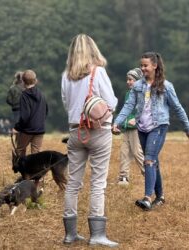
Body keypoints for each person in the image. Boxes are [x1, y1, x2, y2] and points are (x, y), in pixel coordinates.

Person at [112, 52, 189, 211]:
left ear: (155, 66)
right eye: (141, 65)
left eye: (145, 65)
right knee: (153, 162)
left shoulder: (166, 86)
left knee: (148, 160)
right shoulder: (137, 86)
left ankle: (147, 198)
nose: (142, 68)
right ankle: (160, 196)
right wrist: (117, 123)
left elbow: (177, 107)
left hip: (159, 126)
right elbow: (129, 106)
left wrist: (187, 127)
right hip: (142, 128)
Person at [61, 34, 118, 247]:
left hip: (75, 132)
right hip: (98, 131)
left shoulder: (66, 76)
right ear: (93, 49)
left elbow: (67, 104)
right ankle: (97, 235)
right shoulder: (98, 72)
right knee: (98, 183)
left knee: (73, 183)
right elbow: (111, 101)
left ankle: (70, 234)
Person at [117, 68, 145, 185]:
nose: (128, 82)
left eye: (131, 80)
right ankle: (123, 177)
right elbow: (126, 110)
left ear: (138, 81)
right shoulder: (128, 93)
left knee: (137, 152)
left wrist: (136, 119)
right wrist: (119, 123)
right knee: (124, 152)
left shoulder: (142, 93)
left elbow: (144, 109)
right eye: (127, 79)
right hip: (126, 128)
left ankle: (149, 174)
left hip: (135, 128)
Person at [14, 70, 48, 157]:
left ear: (23, 82)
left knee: (20, 150)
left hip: (27, 130)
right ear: (35, 80)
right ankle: (36, 171)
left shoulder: (24, 96)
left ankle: (22, 170)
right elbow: (46, 111)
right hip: (40, 129)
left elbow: (25, 116)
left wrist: (17, 127)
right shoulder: (41, 94)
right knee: (36, 155)